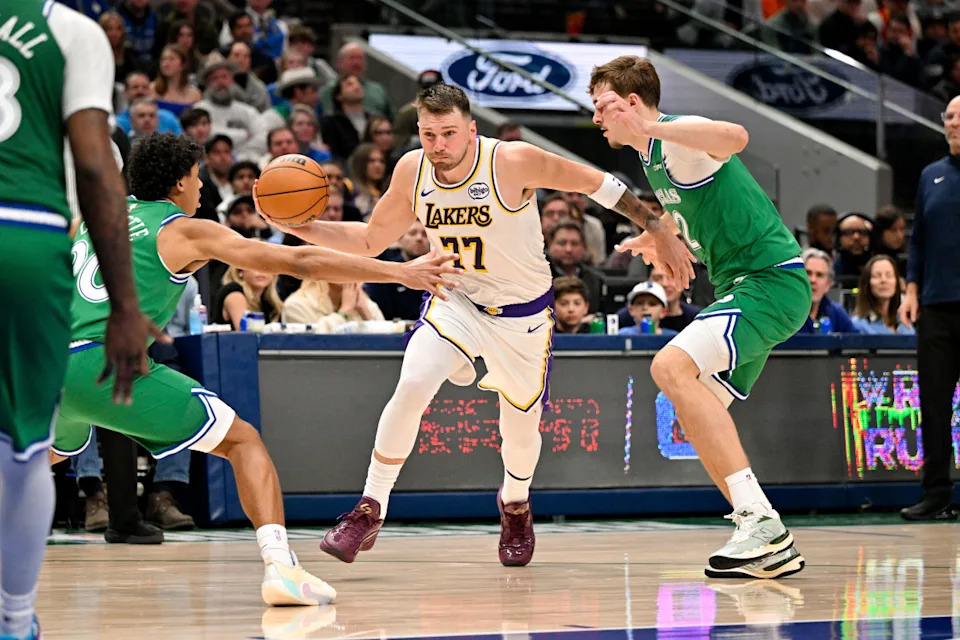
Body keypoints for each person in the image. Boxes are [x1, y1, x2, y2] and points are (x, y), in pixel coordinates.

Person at [277, 82, 692, 567]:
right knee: (411, 383)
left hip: (522, 316)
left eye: (449, 134)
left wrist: (658, 225)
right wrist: (300, 226)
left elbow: (596, 182)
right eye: (428, 135)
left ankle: (515, 503)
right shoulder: (412, 170)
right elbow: (370, 239)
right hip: (456, 303)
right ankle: (369, 509)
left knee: (518, 432)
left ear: (471, 130)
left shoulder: (511, 161)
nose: (439, 146)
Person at [50, 132, 458, 606]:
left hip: (55, 364)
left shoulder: (89, 221)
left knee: (39, 461)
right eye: (198, 176)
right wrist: (399, 272)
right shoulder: (184, 230)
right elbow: (297, 260)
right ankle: (282, 569)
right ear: (180, 181)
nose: (201, 187)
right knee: (244, 442)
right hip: (106, 365)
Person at [591, 56, 810, 579]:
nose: (597, 118)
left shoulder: (670, 136)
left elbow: (735, 135)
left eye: (603, 106)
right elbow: (696, 199)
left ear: (633, 104)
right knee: (699, 409)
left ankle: (761, 522)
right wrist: (662, 231)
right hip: (746, 287)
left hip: (771, 283)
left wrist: (653, 126)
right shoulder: (654, 157)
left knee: (669, 368)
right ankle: (761, 529)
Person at [0, 3, 158, 638]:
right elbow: (95, 167)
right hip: (26, 236)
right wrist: (125, 303)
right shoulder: (70, 30)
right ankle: (14, 620)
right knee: (24, 452)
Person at [899, 94, 960, 521]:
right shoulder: (931, 175)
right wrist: (911, 289)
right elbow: (917, 239)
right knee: (934, 404)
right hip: (937, 307)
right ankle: (937, 494)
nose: (952, 123)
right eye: (949, 116)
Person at [796, 248, 858, 334]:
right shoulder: (783, 313)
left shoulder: (837, 313)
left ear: (828, 284)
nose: (813, 280)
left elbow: (855, 344)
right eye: (808, 273)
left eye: (819, 275)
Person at [851, 255, 914, 334]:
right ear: (867, 284)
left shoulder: (905, 322)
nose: (883, 280)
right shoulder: (857, 325)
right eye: (877, 276)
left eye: (889, 275)